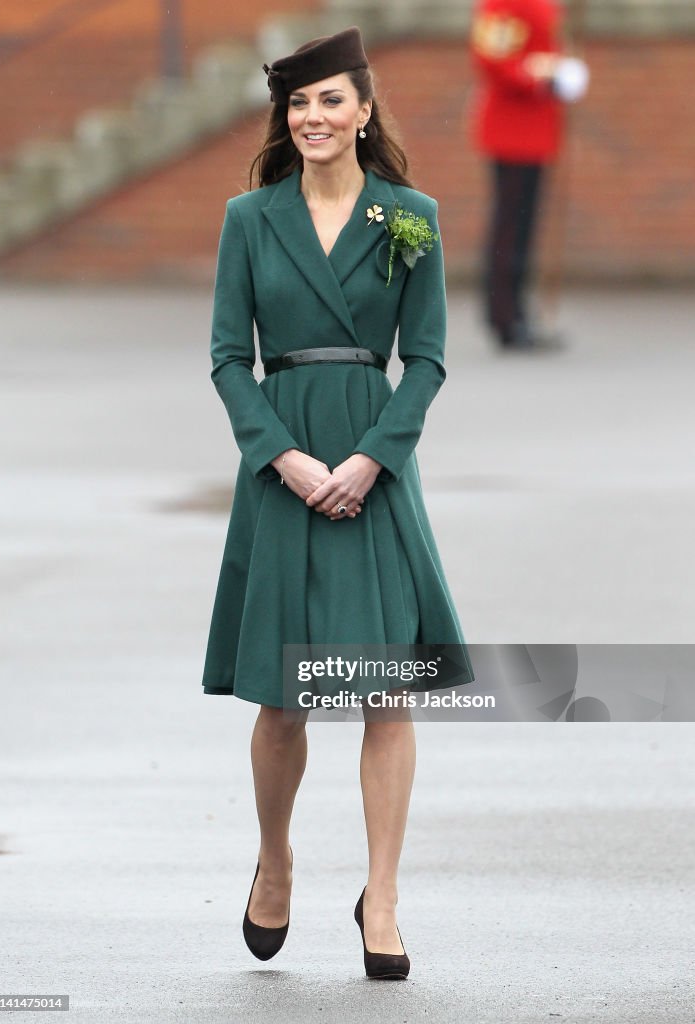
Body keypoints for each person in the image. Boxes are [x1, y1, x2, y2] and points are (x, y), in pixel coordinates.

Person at [200, 26, 474, 979]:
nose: (311, 118)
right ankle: (273, 865)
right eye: (297, 103)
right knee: (284, 701)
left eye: (329, 101)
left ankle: (382, 896)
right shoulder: (249, 217)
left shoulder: (412, 215)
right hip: (283, 468)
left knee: (385, 693)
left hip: (373, 463)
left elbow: (429, 356)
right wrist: (283, 459)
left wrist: (370, 460)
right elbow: (230, 357)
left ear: (363, 111)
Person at [469, 0, 588, 351]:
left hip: (537, 129)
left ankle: (517, 311)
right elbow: (492, 61)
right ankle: (505, 315)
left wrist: (564, 71)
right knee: (510, 226)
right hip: (513, 129)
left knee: (524, 227)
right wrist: (546, 78)